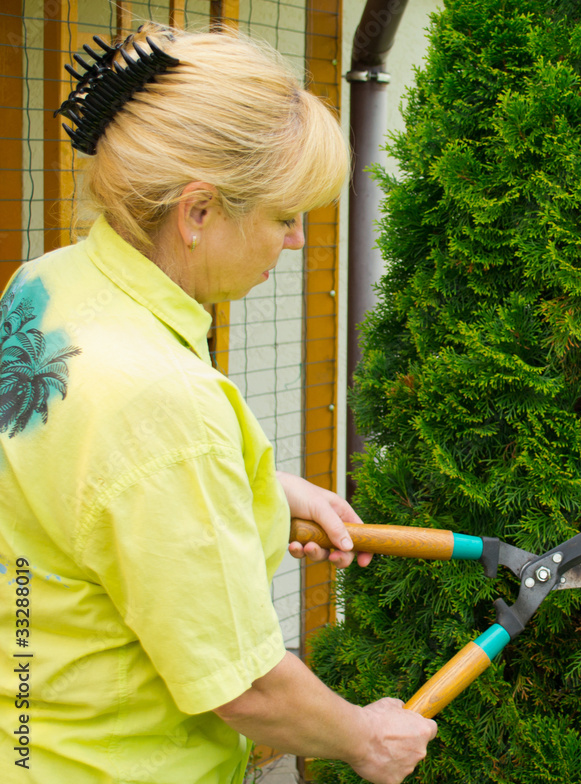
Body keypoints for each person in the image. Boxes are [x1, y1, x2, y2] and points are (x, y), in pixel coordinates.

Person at [0, 23, 436, 784]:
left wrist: (261, 499)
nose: (296, 241)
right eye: (282, 216)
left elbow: (97, 503)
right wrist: (365, 736)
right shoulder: (163, 404)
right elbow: (246, 686)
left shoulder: (44, 284)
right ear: (197, 213)